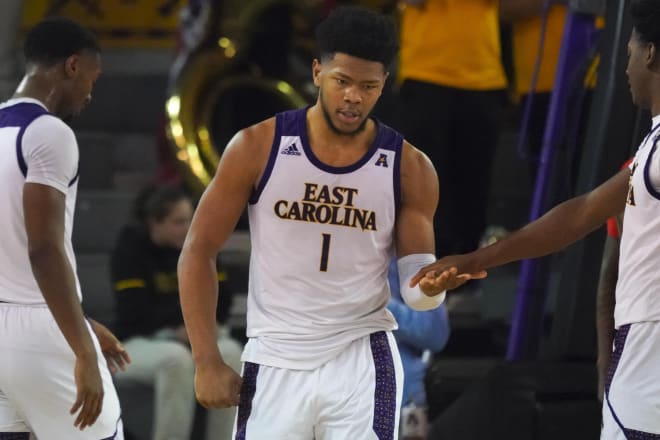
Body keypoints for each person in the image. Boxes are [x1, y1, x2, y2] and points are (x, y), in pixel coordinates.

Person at [177, 6, 475, 439]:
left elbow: (417, 290)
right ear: (317, 72)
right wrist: (206, 360)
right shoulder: (256, 146)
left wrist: (430, 288)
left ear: (383, 85)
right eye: (343, 81)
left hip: (360, 361)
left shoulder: (410, 167)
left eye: (368, 86)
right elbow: (198, 249)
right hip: (275, 356)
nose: (353, 96)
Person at [411, 2, 660, 437]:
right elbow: (579, 213)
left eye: (629, 51)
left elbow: (578, 217)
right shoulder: (649, 150)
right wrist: (473, 261)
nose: (625, 64)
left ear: (651, 55)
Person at [0, 17, 129, 439]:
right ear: (72, 66)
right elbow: (42, 249)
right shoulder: (49, 133)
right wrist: (82, 350)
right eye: (93, 76)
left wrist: (84, 322)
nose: (92, 91)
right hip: (40, 333)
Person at [111, 185, 243, 440]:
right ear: (155, 223)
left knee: (231, 352)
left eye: (190, 220)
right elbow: (135, 312)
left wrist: (196, 327)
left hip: (189, 339)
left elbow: (223, 303)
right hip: (137, 342)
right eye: (178, 222)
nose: (187, 227)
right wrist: (183, 326)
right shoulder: (130, 248)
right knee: (176, 359)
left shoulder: (199, 245)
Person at [397, 0, 508, 260]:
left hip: (484, 76)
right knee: (421, 187)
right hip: (425, 74)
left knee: (474, 189)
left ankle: (464, 279)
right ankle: (419, 276)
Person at [387, 259, 450, 439]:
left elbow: (436, 333)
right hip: (335, 397)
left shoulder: (409, 259)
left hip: (405, 402)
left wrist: (381, 304)